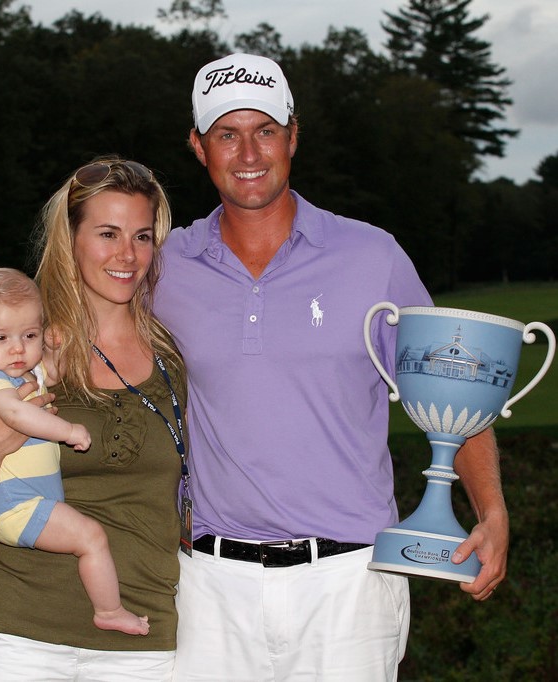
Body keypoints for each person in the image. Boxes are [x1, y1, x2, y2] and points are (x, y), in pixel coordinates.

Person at [149, 53, 509, 681]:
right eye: (226, 134)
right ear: (198, 147)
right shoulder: (163, 265)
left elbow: (454, 389)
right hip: (209, 588)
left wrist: (492, 511)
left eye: (265, 130)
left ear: (293, 135)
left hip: (351, 587)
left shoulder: (372, 255)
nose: (248, 152)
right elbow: (83, 361)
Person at [0, 158, 187, 680]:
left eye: (142, 236)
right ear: (70, 240)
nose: (127, 254)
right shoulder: (20, 356)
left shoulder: (173, 362)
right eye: (107, 233)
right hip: (15, 636)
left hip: (141, 644)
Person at [0, 266, 152, 636]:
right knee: (90, 537)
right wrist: (68, 430)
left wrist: (62, 349)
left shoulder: (23, 371)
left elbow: (55, 373)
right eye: (1, 337)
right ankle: (108, 609)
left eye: (29, 335)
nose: (17, 348)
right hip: (19, 503)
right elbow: (17, 413)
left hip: (15, 496)